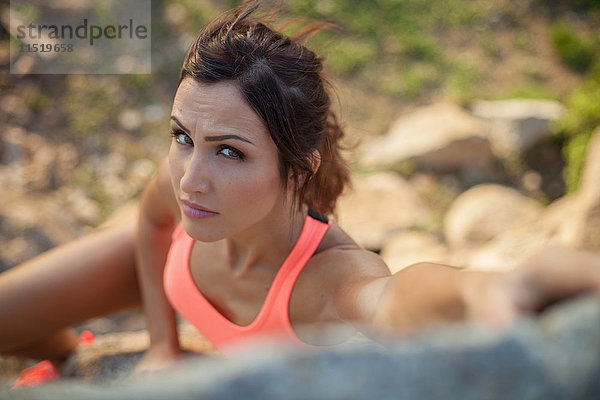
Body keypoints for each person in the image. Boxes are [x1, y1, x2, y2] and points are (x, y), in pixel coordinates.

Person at [1, 0, 600, 381]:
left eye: (230, 151)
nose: (190, 178)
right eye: (183, 136)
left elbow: (397, 298)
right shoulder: (190, 181)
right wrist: (163, 345)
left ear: (301, 166)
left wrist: (486, 289)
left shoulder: (330, 280)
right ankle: (68, 355)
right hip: (162, 267)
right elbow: (155, 220)